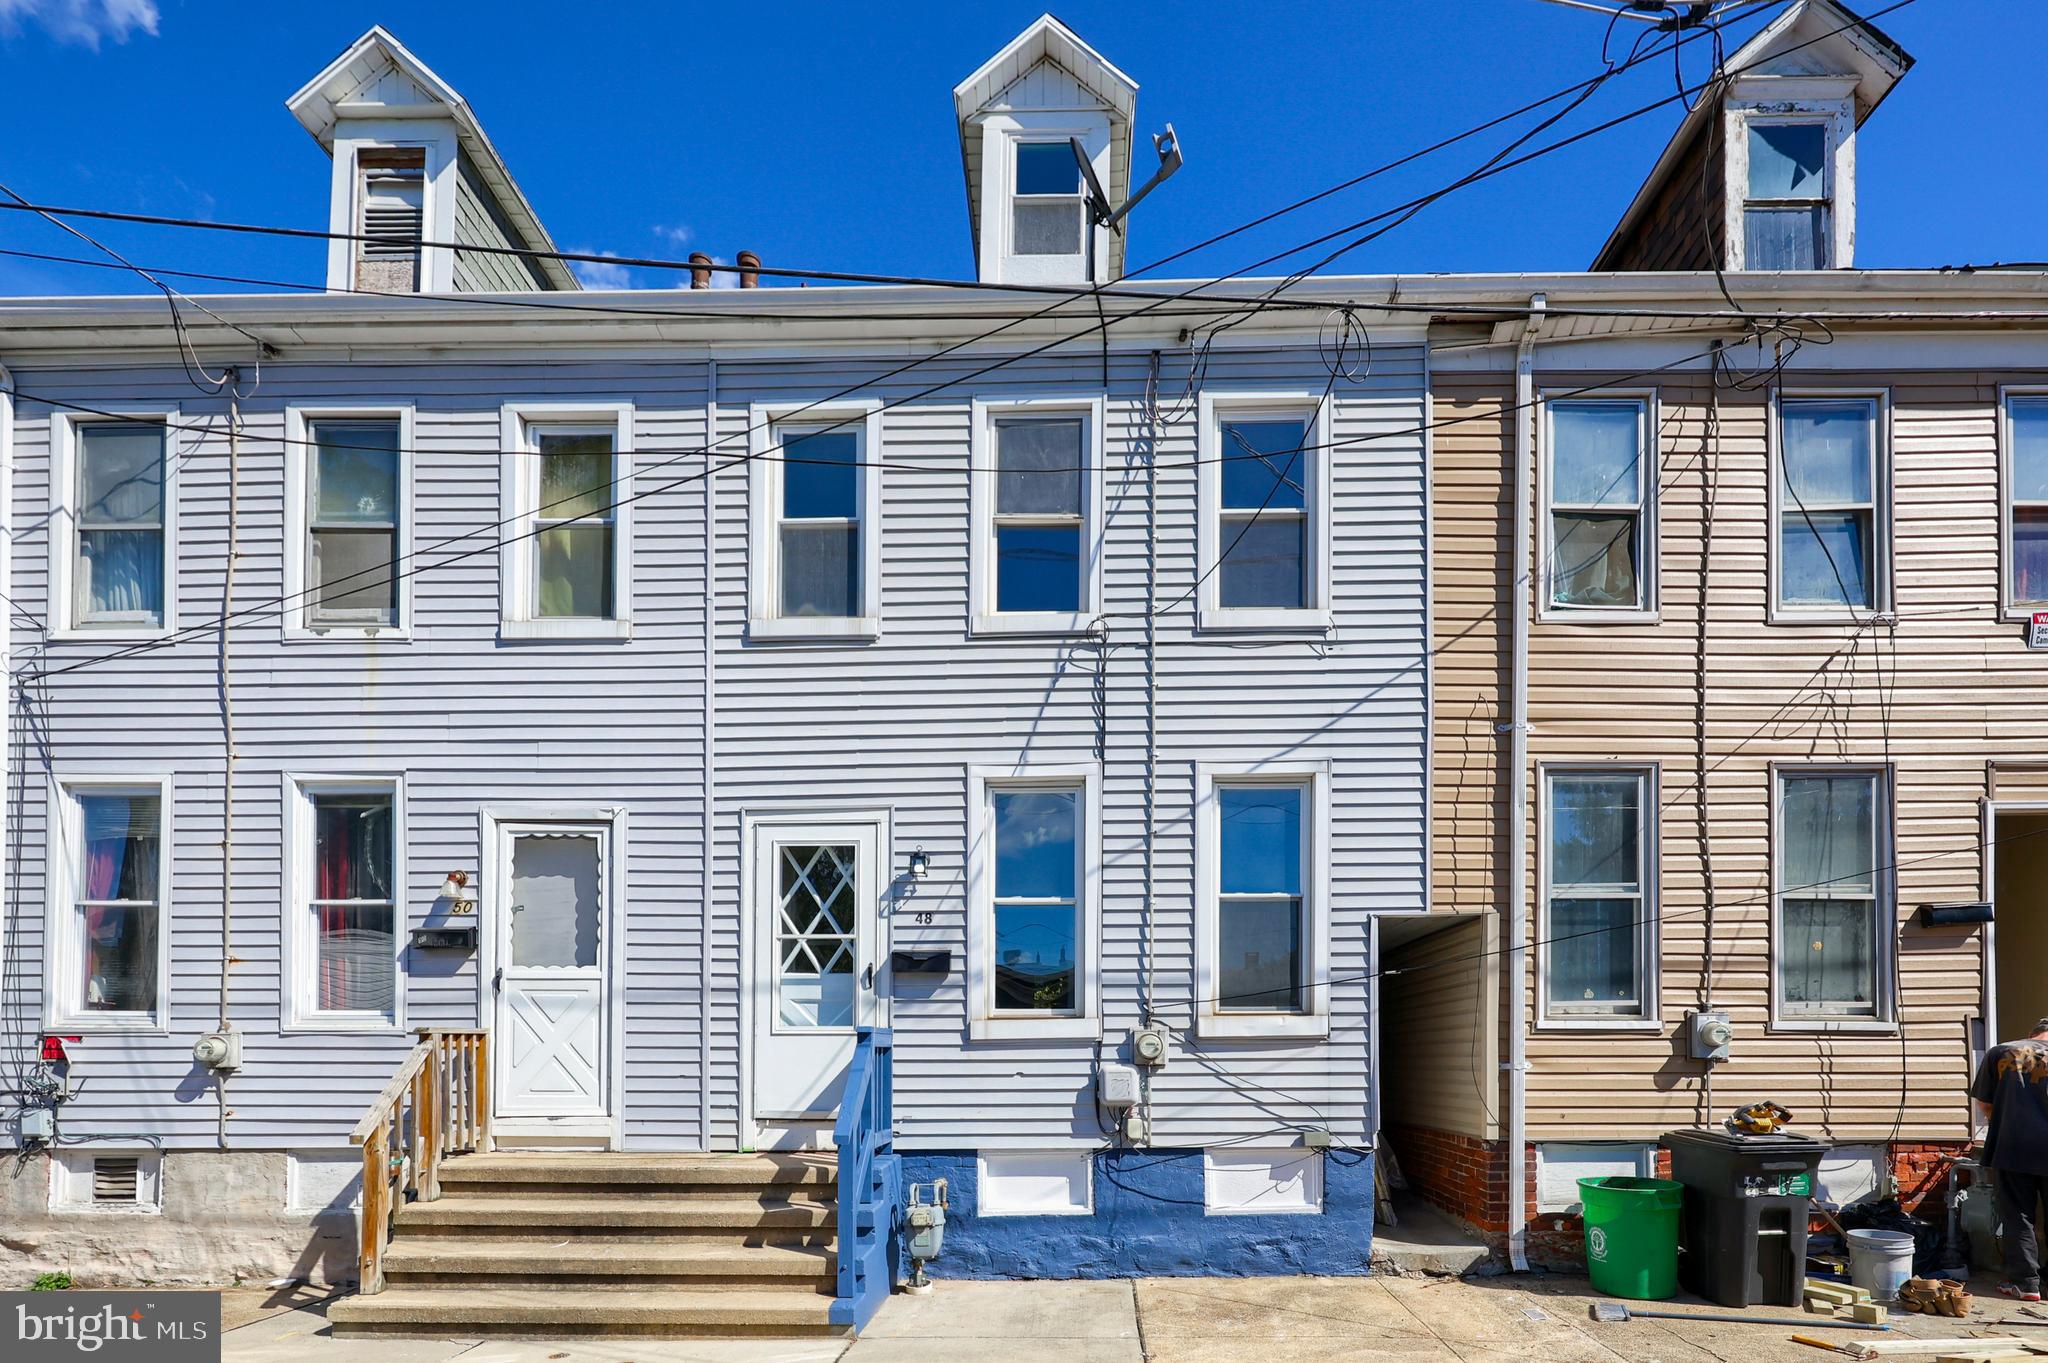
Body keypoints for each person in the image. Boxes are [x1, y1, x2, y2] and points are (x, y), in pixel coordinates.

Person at [1972, 1017, 2048, 1302]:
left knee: (2018, 1214)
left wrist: (2006, 1123)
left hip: (2013, 1146)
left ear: (2033, 1034)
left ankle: (2026, 1284)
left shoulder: (2002, 1051)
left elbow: (1985, 1104)